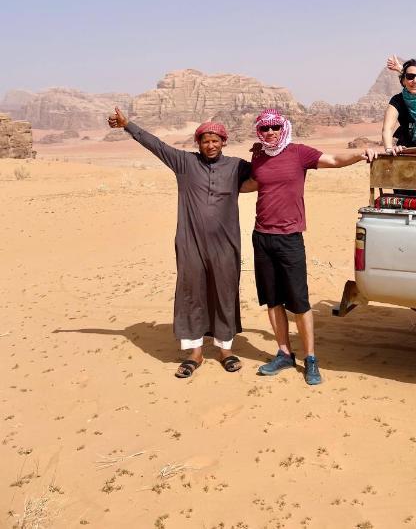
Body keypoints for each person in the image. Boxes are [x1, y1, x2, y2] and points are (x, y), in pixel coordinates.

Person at [107, 108, 255, 379]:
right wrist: (129, 125)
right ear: (198, 143)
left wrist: (265, 151)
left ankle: (225, 350)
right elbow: (156, 145)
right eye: (205, 141)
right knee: (192, 293)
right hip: (191, 244)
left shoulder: (237, 166)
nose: (210, 145)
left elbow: (267, 174)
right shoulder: (184, 163)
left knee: (224, 293)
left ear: (224, 142)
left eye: (215, 140)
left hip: (226, 245)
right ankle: (195, 353)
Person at [249, 108, 375, 386]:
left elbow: (332, 159)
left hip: (290, 238)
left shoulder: (298, 153)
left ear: (283, 128)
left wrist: (362, 153)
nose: (270, 132)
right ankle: (283, 353)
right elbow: (251, 183)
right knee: (272, 300)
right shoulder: (258, 156)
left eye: (275, 128)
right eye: (265, 128)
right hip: (262, 236)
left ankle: (311, 359)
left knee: (299, 302)